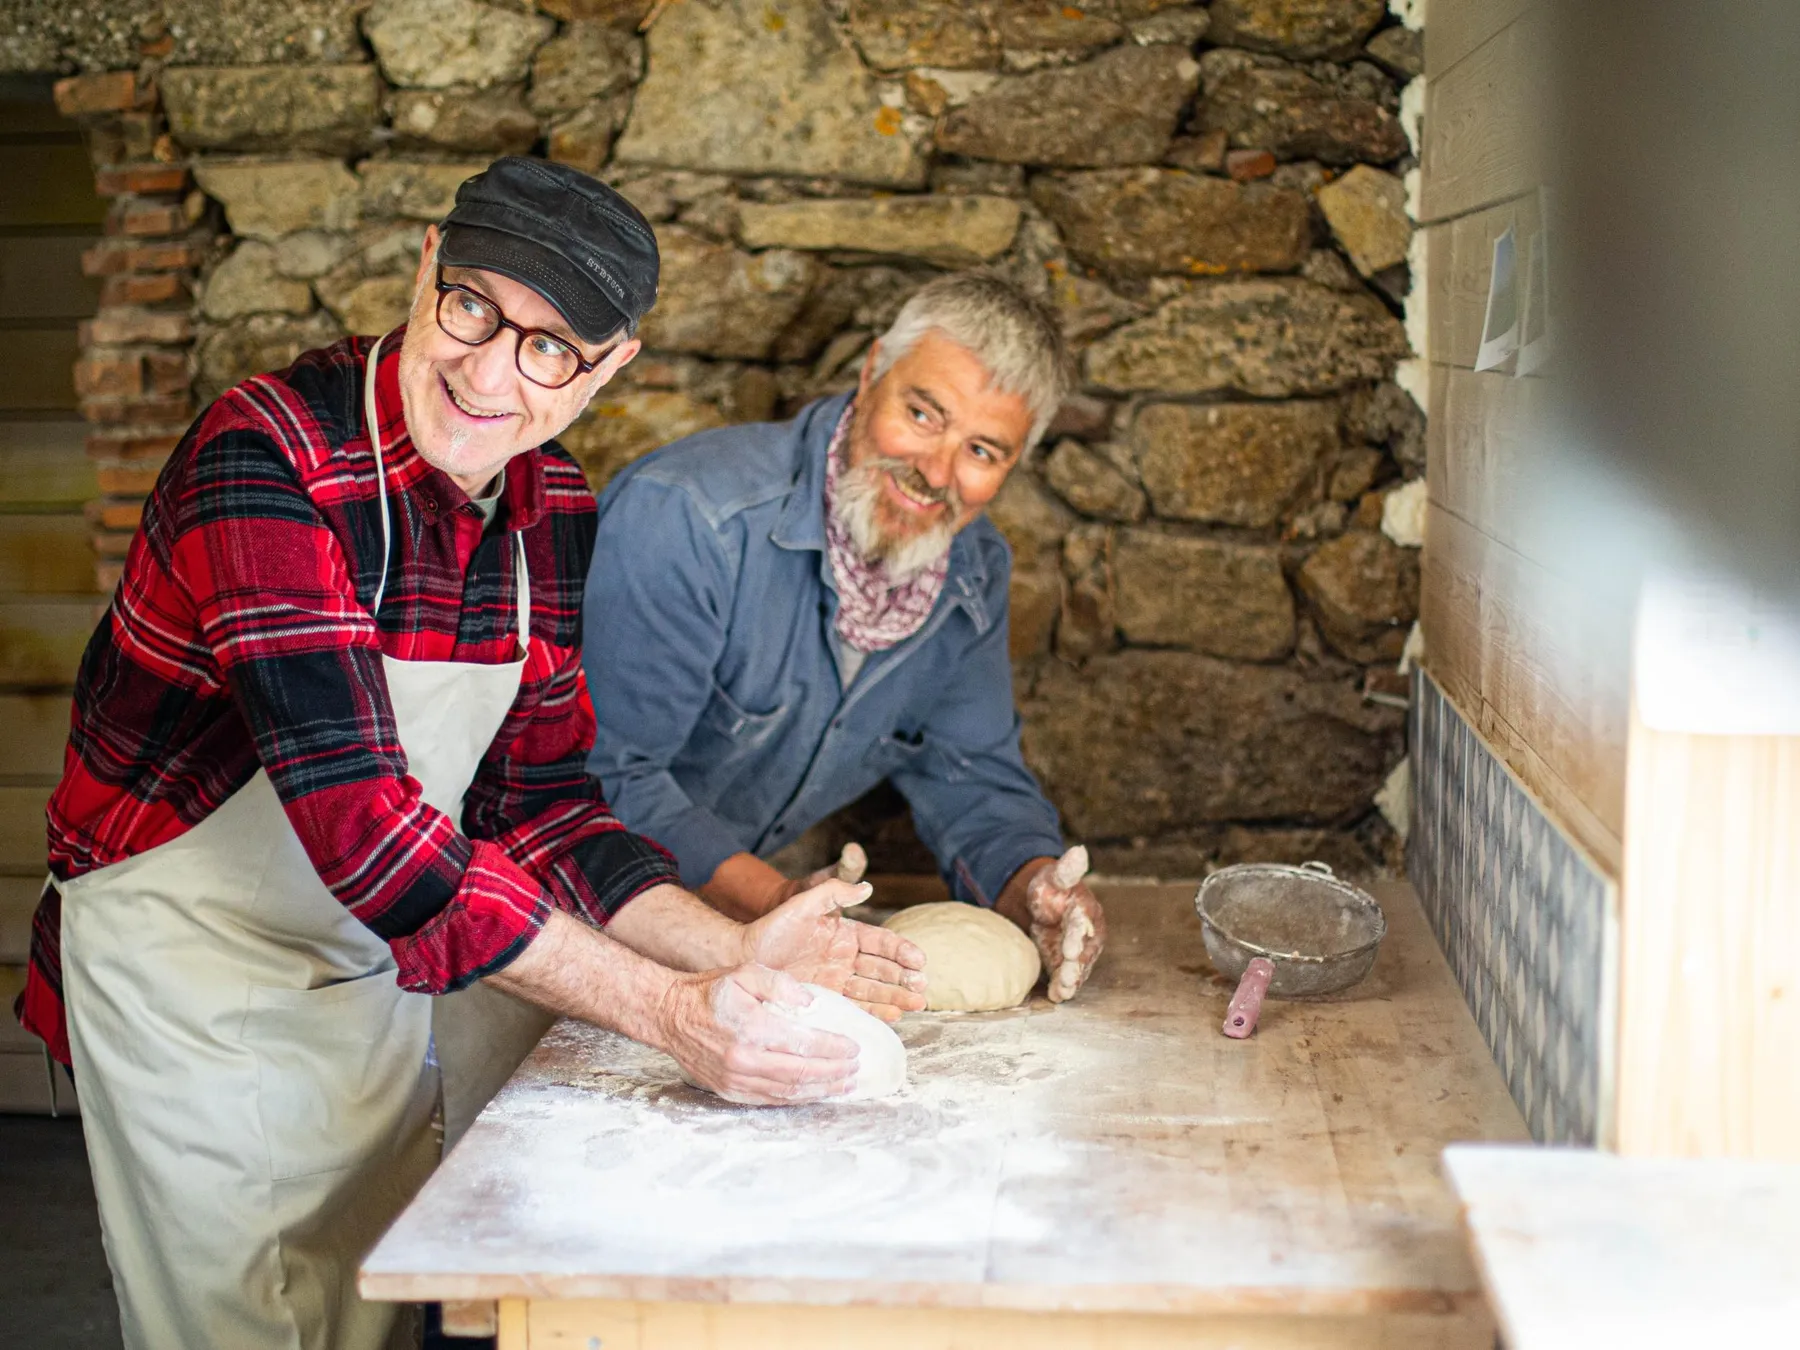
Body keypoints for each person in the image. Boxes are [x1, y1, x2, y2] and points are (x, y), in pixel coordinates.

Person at [13, 157, 923, 1350]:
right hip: (186, 967)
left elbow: (541, 807)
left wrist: (732, 948)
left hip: (368, 963)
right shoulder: (265, 459)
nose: (491, 373)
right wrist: (673, 1012)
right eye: (474, 307)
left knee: (370, 1307)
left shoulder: (552, 513)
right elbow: (371, 834)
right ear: (427, 263)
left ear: (607, 370)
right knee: (242, 1325)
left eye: (550, 348)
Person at [584, 273, 1106, 1002]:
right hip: (542, 925)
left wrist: (1032, 887)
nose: (936, 473)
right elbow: (606, 776)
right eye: (923, 414)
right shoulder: (693, 521)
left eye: (983, 452)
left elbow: (972, 774)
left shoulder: (970, 572)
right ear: (871, 374)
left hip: (722, 943)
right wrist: (772, 902)